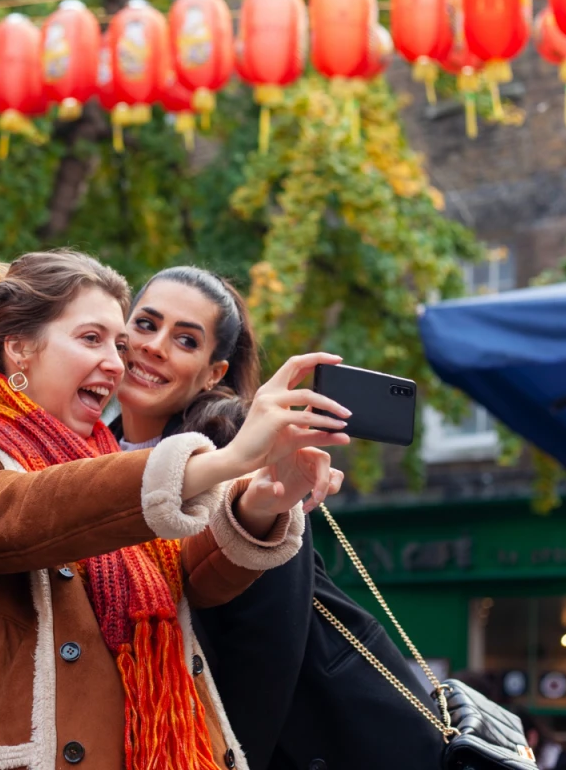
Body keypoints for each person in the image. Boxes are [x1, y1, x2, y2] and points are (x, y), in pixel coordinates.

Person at [0, 250, 354, 769]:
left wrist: (262, 500)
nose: (119, 363)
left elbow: (190, 577)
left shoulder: (105, 460)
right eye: (92, 338)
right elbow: (32, 510)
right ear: (20, 347)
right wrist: (226, 462)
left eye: (119, 345)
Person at [111, 266, 446, 769]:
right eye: (145, 324)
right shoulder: (88, 451)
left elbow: (268, 648)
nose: (154, 346)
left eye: (185, 340)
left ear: (213, 373)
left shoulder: (243, 449)